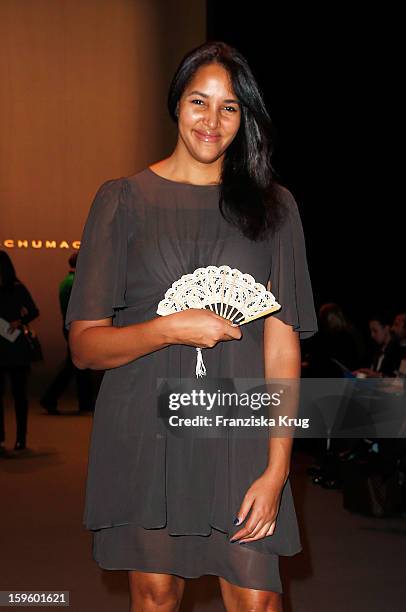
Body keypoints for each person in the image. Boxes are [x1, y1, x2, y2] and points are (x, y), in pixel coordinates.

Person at [65, 41, 317, 611]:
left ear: (245, 117)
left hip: (240, 433)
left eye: (230, 107)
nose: (212, 120)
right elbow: (84, 346)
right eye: (199, 101)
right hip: (145, 432)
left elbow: (281, 347)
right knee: (155, 597)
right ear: (176, 104)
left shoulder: (275, 209)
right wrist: (168, 329)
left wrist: (278, 468)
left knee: (257, 600)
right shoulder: (123, 201)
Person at [40, 253, 94, 415]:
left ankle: (55, 399)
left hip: (71, 326)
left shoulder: (68, 282)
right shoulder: (75, 283)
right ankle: (53, 399)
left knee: (75, 366)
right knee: (78, 365)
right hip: (75, 327)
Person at [0, 250, 40, 453]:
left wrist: (20, 321)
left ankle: (20, 438)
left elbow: (34, 310)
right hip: (2, 346)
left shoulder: (17, 288)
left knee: (19, 395)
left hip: (15, 346)